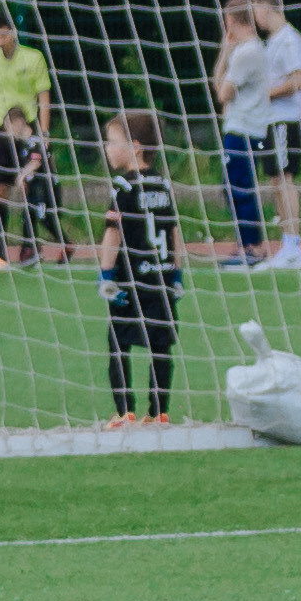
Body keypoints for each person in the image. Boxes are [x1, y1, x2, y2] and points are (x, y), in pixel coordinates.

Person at [98, 112, 186, 427]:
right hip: (161, 279)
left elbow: (113, 232)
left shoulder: (123, 185)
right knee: (160, 345)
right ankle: (159, 411)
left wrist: (106, 275)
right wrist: (177, 273)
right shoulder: (162, 183)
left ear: (135, 147)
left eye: (111, 142)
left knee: (118, 343)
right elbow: (174, 231)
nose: (107, 149)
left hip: (130, 281)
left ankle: (125, 411)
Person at [0, 15, 50, 261]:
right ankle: (0, 247)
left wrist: (44, 133)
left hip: (24, 131)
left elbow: (44, 96)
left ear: (12, 32)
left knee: (27, 186)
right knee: (0, 189)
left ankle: (29, 245)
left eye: (2, 33)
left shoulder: (33, 57)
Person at [251, 0, 301, 271]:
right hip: (271, 121)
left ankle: (293, 246)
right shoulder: (272, 41)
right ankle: (286, 245)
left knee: (285, 179)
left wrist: (267, 93)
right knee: (275, 180)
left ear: (266, 6)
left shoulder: (289, 38)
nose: (254, 17)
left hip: (285, 120)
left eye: (256, 10)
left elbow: (300, 78)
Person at [212, 0, 271, 265]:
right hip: (239, 127)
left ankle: (253, 247)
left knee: (240, 188)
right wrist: (225, 50)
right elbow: (218, 85)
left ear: (232, 20)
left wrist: (227, 52)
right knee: (232, 187)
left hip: (244, 128)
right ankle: (246, 244)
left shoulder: (249, 52)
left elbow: (223, 93)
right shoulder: (243, 50)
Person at [4, 106, 71, 264]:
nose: (8, 131)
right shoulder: (22, 145)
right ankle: (32, 250)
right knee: (28, 216)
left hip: (46, 188)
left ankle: (67, 243)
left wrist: (21, 176)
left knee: (44, 218)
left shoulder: (36, 139)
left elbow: (36, 162)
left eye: (9, 126)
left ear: (19, 122)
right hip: (35, 187)